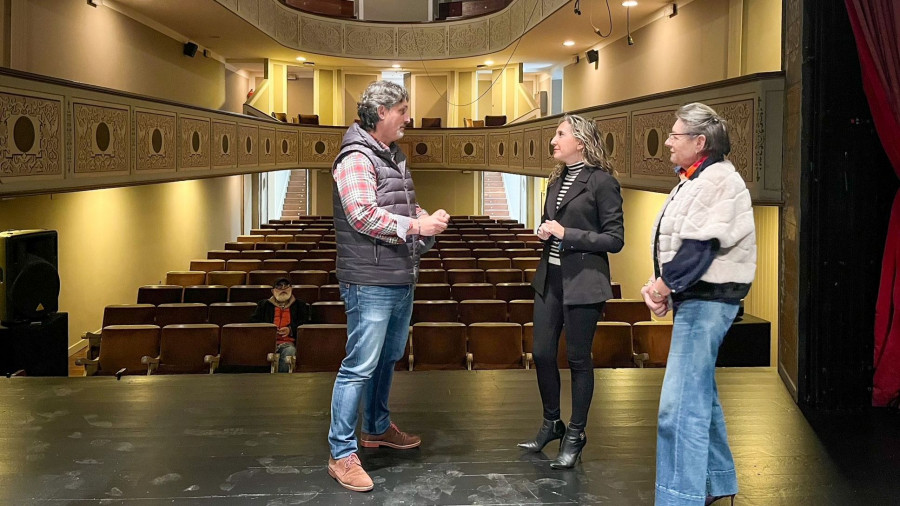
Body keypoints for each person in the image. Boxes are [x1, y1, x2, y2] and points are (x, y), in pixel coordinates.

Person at [326, 80, 450, 492]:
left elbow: (400, 206)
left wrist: (425, 218)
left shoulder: (391, 155)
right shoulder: (357, 157)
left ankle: (377, 428)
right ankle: (342, 454)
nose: (408, 118)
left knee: (387, 358)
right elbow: (361, 214)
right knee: (358, 366)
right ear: (381, 112)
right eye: (403, 110)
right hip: (369, 279)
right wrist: (417, 225)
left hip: (398, 274)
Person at [642, 102, 756, 506]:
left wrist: (663, 286)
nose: (668, 143)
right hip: (697, 299)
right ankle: (715, 484)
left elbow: (698, 249)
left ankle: (679, 498)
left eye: (675, 136)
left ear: (700, 142)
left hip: (709, 302)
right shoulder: (696, 179)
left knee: (679, 409)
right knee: (700, 397)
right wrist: (665, 288)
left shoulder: (716, 181)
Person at [519, 113, 624, 469]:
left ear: (580, 142)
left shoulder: (602, 182)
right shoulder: (556, 179)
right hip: (550, 280)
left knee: (579, 360)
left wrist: (567, 234)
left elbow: (614, 239)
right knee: (543, 353)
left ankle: (576, 433)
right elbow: (558, 223)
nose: (553, 139)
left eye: (560, 134)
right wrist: (545, 231)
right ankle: (552, 422)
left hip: (584, 284)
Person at [249, 277, 310, 373]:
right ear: (273, 291)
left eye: (286, 287)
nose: (283, 289)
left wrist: (290, 330)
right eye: (279, 287)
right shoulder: (263, 305)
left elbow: (306, 323)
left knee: (290, 352)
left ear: (291, 289)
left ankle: (281, 382)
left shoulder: (300, 305)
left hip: (287, 344)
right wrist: (269, 329)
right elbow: (253, 322)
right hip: (266, 343)